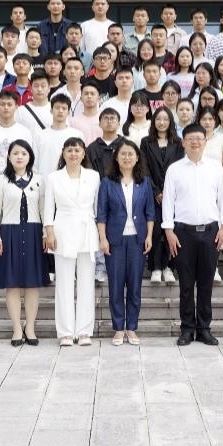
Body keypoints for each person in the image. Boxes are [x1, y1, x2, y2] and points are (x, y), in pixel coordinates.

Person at [162, 124, 223, 346]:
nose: (195, 142)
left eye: (199, 138)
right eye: (190, 138)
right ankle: (187, 329)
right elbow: (168, 202)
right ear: (183, 142)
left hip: (210, 232)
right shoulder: (174, 170)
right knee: (185, 284)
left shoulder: (215, 168)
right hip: (183, 233)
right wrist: (169, 231)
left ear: (205, 141)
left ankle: (204, 329)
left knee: (205, 284)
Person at [0, 140, 49, 346]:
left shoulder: (39, 180)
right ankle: (16, 328)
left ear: (30, 157)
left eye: (24, 153)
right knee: (12, 284)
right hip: (9, 233)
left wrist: (45, 233)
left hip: (33, 233)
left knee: (32, 284)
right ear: (9, 157)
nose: (19, 156)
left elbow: (44, 209)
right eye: (15, 153)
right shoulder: (1, 181)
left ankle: (30, 327)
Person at [97, 139, 156, 346]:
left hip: (137, 240)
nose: (127, 157)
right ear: (116, 157)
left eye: (131, 154)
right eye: (123, 154)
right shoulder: (107, 182)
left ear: (137, 157)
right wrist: (103, 239)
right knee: (115, 286)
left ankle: (131, 328)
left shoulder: (144, 182)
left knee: (134, 286)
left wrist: (149, 236)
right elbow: (101, 213)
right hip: (115, 241)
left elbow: (150, 212)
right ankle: (118, 329)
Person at [44, 138, 101, 346]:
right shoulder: (53, 177)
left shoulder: (93, 176)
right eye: (69, 150)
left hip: (87, 230)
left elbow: (97, 207)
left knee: (86, 282)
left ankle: (84, 331)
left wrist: (100, 233)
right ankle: (65, 332)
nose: (73, 154)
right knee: (64, 283)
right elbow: (48, 208)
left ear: (84, 153)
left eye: (77, 150)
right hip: (63, 230)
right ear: (63, 153)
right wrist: (49, 232)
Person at [141, 106, 183, 286]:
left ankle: (169, 267)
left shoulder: (178, 142)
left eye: (165, 119)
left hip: (174, 195)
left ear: (170, 122)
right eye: (158, 119)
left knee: (171, 230)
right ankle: (156, 268)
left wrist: (169, 191)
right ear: (153, 121)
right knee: (156, 230)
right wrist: (156, 191)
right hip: (153, 194)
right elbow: (144, 168)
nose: (162, 122)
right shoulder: (146, 142)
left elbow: (180, 167)